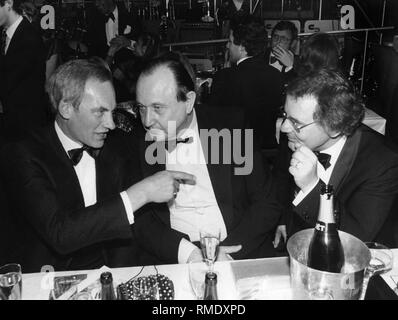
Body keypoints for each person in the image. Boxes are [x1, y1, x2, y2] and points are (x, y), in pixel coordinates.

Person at [0, 59, 195, 272]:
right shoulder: (23, 154)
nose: (111, 124)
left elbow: (142, 223)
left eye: (112, 112)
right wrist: (143, 192)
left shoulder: (117, 144)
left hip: (116, 274)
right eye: (99, 112)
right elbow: (60, 233)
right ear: (66, 108)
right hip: (48, 278)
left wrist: (192, 253)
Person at [131, 53, 282, 266]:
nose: (147, 121)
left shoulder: (230, 128)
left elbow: (266, 202)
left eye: (158, 108)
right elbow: (142, 223)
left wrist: (227, 253)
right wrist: (188, 253)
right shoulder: (137, 142)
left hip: (237, 247)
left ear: (189, 101)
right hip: (174, 258)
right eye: (141, 108)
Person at [272, 69, 398, 250]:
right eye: (285, 116)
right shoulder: (296, 138)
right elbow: (281, 178)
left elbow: (357, 240)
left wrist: (311, 187)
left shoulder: (384, 163)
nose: (284, 128)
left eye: (296, 122)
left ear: (335, 126)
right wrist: (283, 218)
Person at [209, 15, 284, 150]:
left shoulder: (224, 77)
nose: (227, 45)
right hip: (267, 151)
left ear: (242, 47)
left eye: (230, 42)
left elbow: (214, 119)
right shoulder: (276, 75)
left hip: (234, 152)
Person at [0, 0, 47, 141]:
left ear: (8, 3)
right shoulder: (6, 33)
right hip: (12, 120)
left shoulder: (28, 36)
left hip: (26, 126)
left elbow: (9, 79)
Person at [264, 20, 298, 86]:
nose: (278, 41)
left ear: (293, 43)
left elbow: (298, 89)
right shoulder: (259, 57)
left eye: (284, 39)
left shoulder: (300, 63)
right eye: (275, 37)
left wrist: (290, 67)